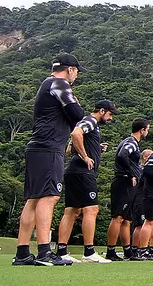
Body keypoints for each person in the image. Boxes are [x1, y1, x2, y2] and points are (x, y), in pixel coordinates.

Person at [14, 53, 86, 266]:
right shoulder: (60, 84)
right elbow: (77, 113)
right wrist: (76, 104)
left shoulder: (47, 83)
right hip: (49, 148)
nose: (76, 76)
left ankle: (23, 252)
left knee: (34, 199)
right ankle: (45, 251)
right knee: (49, 196)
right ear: (70, 69)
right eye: (76, 71)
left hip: (38, 147)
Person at [56, 100, 118, 264]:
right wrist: (85, 156)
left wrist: (96, 147)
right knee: (91, 209)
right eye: (110, 114)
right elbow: (76, 134)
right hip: (82, 171)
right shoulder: (90, 120)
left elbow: (69, 150)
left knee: (72, 211)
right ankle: (89, 252)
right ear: (102, 111)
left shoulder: (91, 125)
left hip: (73, 171)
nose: (111, 118)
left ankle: (61, 251)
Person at [106, 118, 150, 261]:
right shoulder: (130, 143)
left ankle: (128, 251)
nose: (147, 132)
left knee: (126, 219)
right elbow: (122, 155)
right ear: (142, 130)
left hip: (129, 184)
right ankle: (110, 251)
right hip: (123, 181)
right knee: (118, 217)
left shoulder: (132, 143)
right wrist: (131, 173)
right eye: (147, 129)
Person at [129, 149, 153, 260]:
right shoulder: (140, 169)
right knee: (139, 224)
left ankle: (141, 249)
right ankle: (135, 250)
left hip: (146, 198)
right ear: (145, 157)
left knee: (144, 223)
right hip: (139, 199)